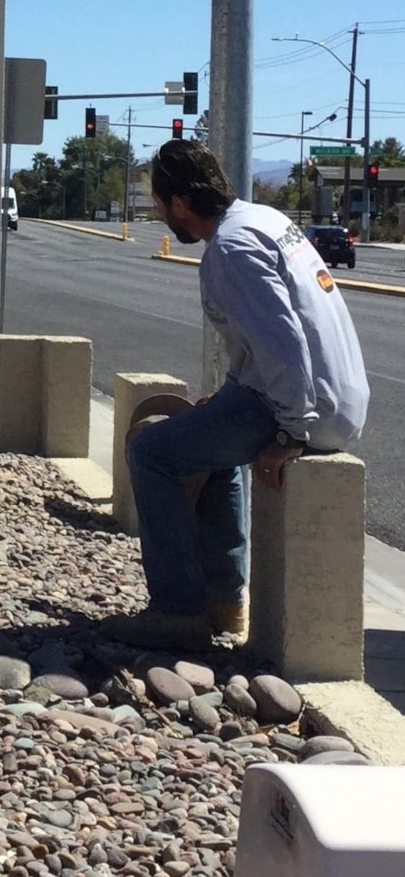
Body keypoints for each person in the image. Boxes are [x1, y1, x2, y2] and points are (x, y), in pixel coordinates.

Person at [104, 138, 369, 652]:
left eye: (159, 205)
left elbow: (281, 343)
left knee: (151, 452)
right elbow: (265, 345)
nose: (160, 216)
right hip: (330, 395)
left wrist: (291, 434)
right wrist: (227, 400)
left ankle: (177, 612)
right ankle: (224, 603)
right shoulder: (263, 219)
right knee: (205, 442)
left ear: (181, 204)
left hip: (307, 406)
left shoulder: (230, 248)